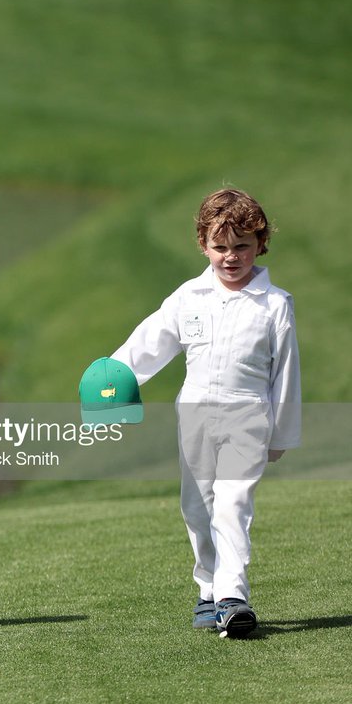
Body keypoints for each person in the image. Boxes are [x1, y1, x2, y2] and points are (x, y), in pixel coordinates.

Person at [109, 188, 300, 639]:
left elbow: (287, 374)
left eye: (242, 247)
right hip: (194, 414)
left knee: (233, 504)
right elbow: (149, 344)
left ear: (261, 243)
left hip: (248, 415)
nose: (231, 257)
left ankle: (234, 598)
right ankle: (209, 590)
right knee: (197, 507)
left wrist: (281, 436)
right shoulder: (187, 297)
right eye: (220, 247)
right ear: (203, 244)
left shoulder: (275, 305)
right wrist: (113, 380)